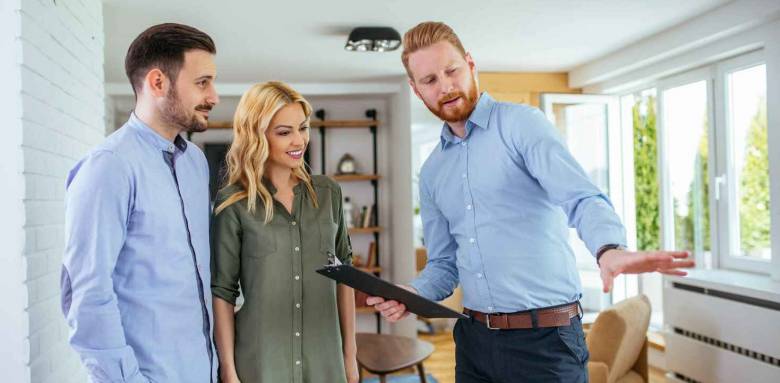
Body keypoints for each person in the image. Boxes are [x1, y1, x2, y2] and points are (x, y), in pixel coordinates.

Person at [367, 21, 694, 382]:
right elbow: (445, 264)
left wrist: (609, 249)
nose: (445, 86)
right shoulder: (432, 172)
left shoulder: (523, 125)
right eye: (429, 80)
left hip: (546, 343)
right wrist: (411, 293)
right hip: (473, 342)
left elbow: (581, 197)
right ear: (415, 90)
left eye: (451, 70)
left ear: (471, 64)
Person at [60, 23, 220, 382]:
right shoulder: (109, 167)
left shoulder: (195, 163)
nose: (214, 96)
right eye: (202, 82)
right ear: (158, 82)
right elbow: (86, 294)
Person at [211, 81, 359, 383]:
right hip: (260, 364)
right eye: (284, 132)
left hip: (325, 364)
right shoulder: (233, 203)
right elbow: (223, 292)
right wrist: (229, 370)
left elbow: (346, 276)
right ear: (256, 135)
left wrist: (350, 355)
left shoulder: (327, 193)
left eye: (302, 128)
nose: (298, 141)